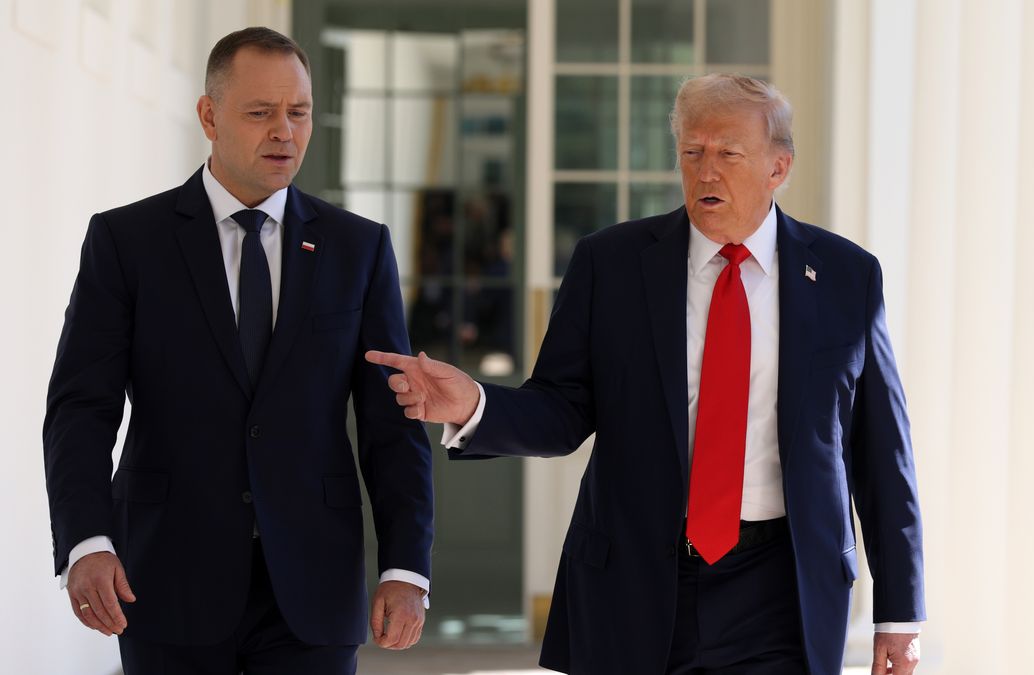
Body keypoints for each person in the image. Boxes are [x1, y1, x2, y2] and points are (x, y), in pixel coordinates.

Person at [368, 73, 924, 675]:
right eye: (692, 152)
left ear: (778, 167)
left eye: (728, 154)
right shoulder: (611, 264)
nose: (705, 171)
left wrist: (898, 613)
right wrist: (475, 404)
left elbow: (880, 452)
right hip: (637, 579)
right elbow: (561, 408)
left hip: (782, 588)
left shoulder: (846, 277)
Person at [44, 27, 433, 675]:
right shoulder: (127, 242)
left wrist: (405, 564)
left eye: (298, 112)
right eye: (260, 112)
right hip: (166, 578)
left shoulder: (357, 248)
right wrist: (86, 541)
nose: (284, 130)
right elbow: (81, 408)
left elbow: (392, 425)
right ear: (209, 115)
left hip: (315, 583)